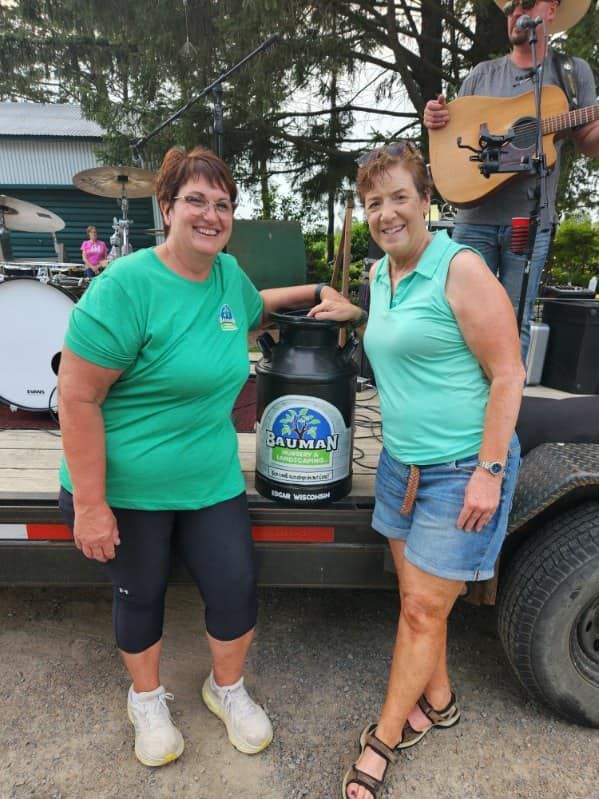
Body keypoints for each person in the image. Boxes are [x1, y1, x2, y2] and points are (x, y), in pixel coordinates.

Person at [57, 145, 354, 768]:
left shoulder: (226, 277)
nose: (211, 215)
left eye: (222, 204)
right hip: (125, 483)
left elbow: (258, 304)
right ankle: (146, 699)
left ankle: (227, 689)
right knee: (141, 595)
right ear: (165, 207)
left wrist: (325, 289)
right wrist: (90, 505)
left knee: (235, 587)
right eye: (195, 200)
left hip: (209, 476)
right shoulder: (126, 287)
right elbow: (78, 399)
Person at [313, 141, 524, 799]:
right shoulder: (382, 275)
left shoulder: (459, 267)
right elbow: (401, 327)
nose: (385, 213)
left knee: (419, 613)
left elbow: (509, 372)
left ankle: (381, 740)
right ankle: (438, 697)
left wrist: (488, 470)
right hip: (400, 464)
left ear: (425, 200)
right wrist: (353, 313)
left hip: (461, 466)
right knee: (416, 607)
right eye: (373, 202)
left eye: (398, 196)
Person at [424, 0, 599, 361]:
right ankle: (467, 409)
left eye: (526, 3)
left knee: (513, 321)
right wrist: (435, 116)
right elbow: (455, 136)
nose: (516, 12)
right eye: (509, 8)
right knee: (464, 320)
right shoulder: (481, 75)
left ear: (551, 9)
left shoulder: (570, 72)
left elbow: (588, 144)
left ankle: (506, 416)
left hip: (531, 221)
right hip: (475, 221)